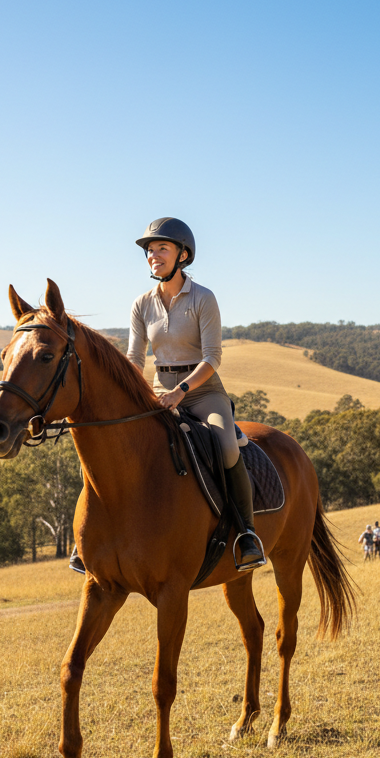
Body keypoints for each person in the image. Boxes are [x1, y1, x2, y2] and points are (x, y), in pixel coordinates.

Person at [127, 218, 266, 572]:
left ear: (183, 255)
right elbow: (134, 359)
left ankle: (247, 534)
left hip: (202, 392)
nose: (153, 256)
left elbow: (212, 357)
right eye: (149, 250)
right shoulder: (141, 304)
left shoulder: (204, 298)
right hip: (158, 390)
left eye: (162, 248)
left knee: (227, 445)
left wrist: (181, 391)